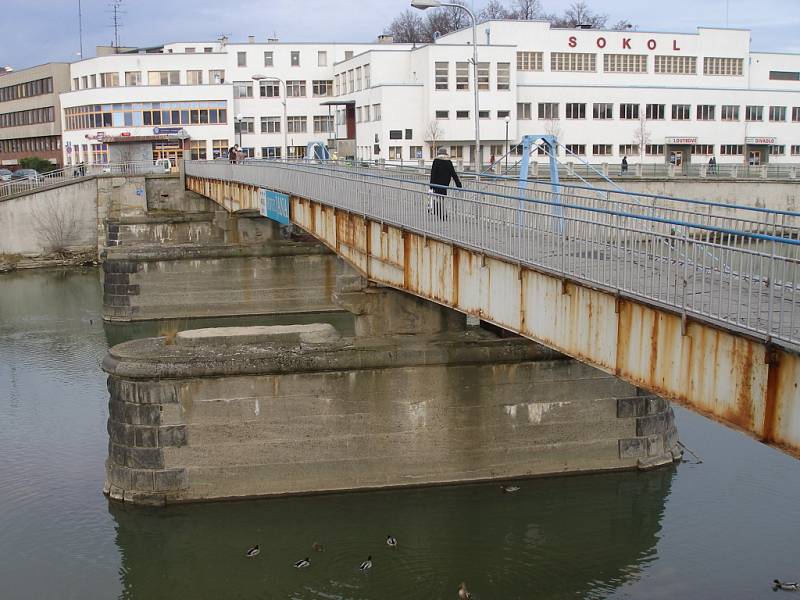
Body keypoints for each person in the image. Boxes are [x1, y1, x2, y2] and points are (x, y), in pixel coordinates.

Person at [428, 147, 462, 218]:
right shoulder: (448, 162)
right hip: (445, 183)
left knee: (438, 198)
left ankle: (440, 212)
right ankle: (441, 213)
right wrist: (458, 184)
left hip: (436, 183)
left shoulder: (436, 161)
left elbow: (433, 173)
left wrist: (431, 184)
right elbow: (453, 173)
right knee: (442, 198)